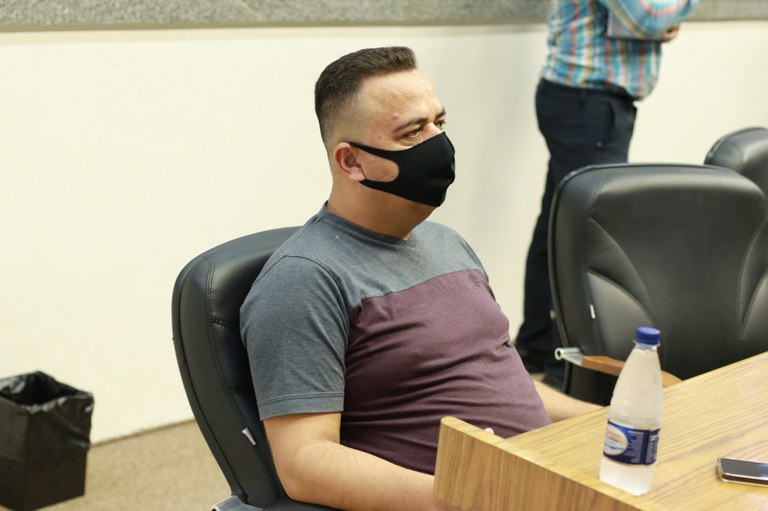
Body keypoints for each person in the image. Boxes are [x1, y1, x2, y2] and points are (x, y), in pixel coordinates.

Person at [240, 46, 599, 511]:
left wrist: (613, 422)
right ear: (351, 162)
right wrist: (468, 497)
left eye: (439, 123)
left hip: (545, 481)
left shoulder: (448, 243)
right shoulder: (304, 280)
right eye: (412, 132)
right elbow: (304, 463)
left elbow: (501, 379)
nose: (438, 144)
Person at [516, 0, 699, 383]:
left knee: (559, 225)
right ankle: (567, 369)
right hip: (586, 103)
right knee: (584, 234)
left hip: (586, 101)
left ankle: (538, 345)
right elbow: (647, 16)